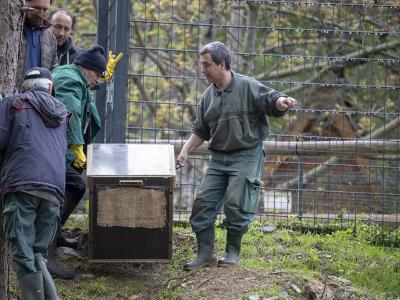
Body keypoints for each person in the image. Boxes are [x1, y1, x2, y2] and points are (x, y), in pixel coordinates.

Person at [177, 41, 297, 270]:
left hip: (246, 155)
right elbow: (200, 130)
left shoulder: (247, 86)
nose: (202, 70)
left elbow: (272, 100)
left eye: (207, 65)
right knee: (202, 205)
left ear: (222, 64)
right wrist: (185, 150)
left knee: (236, 203)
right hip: (218, 158)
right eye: (201, 65)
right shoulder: (208, 97)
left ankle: (232, 251)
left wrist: (282, 103)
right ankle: (205, 254)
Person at [47, 44, 121, 279]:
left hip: (56, 148)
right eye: (99, 75)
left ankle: (55, 235)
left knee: (69, 189)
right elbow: (72, 112)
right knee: (68, 190)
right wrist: (76, 145)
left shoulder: (74, 74)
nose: (100, 81)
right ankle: (48, 252)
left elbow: (86, 90)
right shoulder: (70, 80)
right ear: (86, 68)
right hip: (56, 149)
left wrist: (103, 77)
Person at [0, 67, 68, 299]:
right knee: (38, 252)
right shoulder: (62, 113)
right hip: (55, 190)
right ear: (50, 87)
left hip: (23, 184)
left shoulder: (13, 103)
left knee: (22, 252)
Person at [16, 0, 58, 91]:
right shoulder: (11, 32)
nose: (41, 14)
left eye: (45, 9)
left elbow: (53, 71)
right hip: (11, 98)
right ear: (23, 4)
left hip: (39, 100)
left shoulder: (50, 37)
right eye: (36, 8)